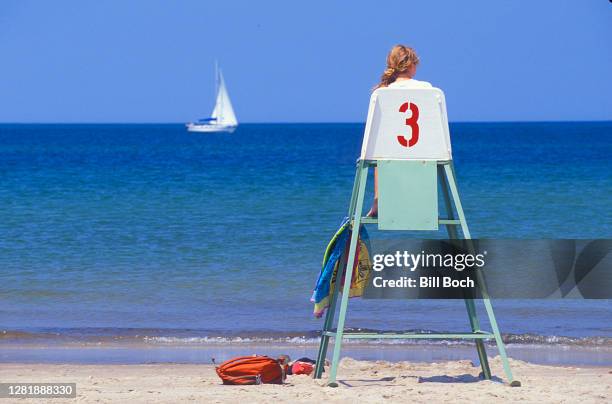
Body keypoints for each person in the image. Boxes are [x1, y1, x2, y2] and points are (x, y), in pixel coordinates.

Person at [367, 45, 432, 217]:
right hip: (426, 154)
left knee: (379, 154)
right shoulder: (428, 89)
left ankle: (377, 201)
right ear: (412, 65)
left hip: (391, 155)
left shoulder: (382, 93)